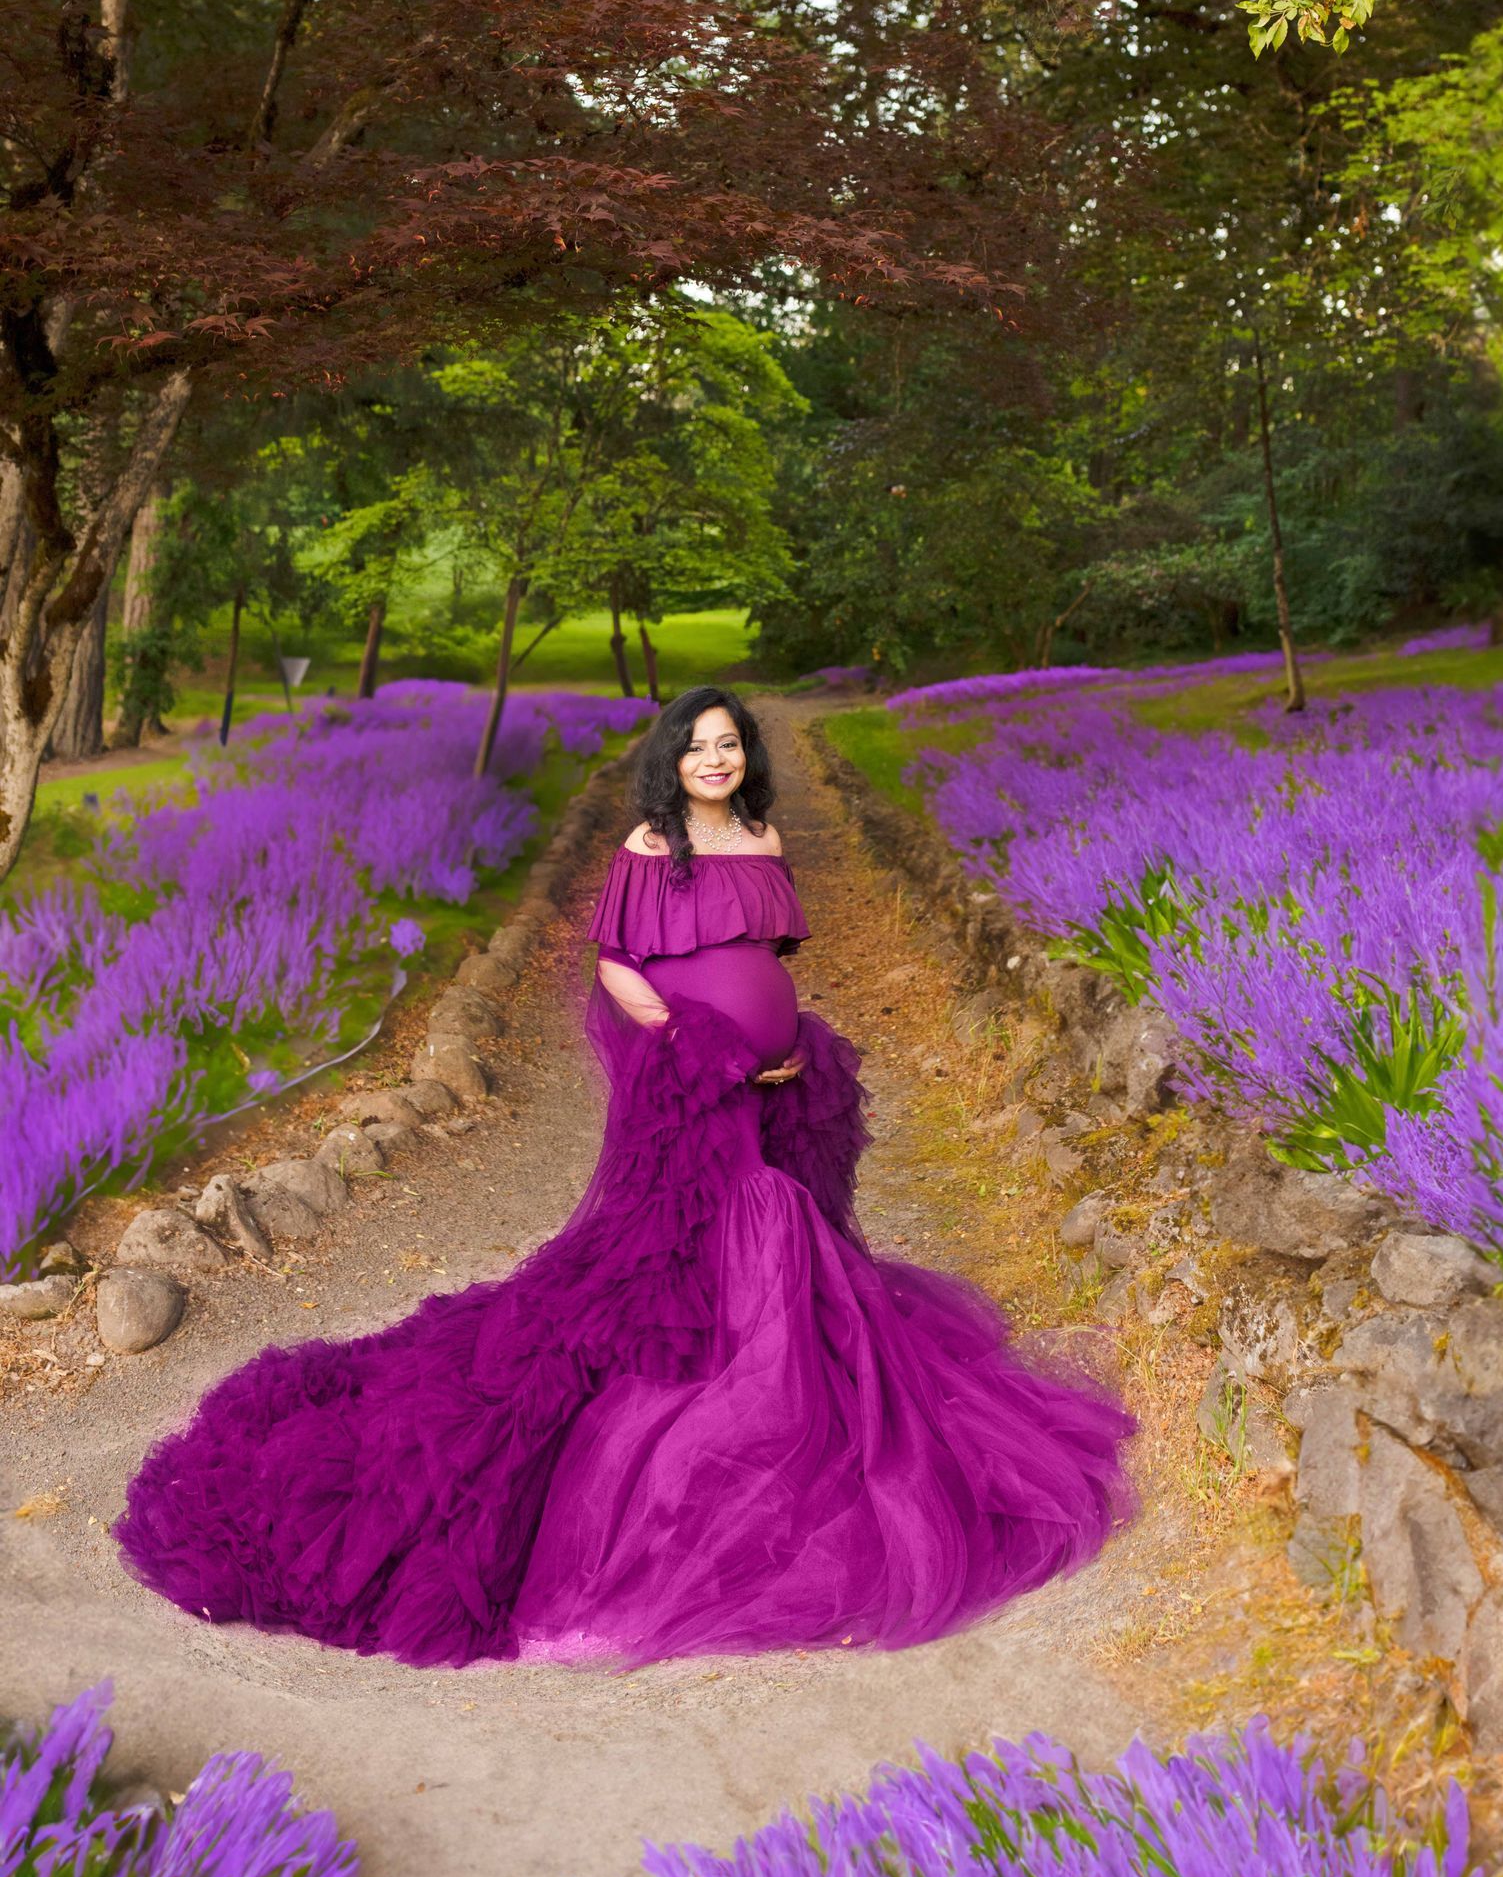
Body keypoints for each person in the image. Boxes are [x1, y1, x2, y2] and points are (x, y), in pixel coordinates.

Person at [115, 688, 1134, 1669]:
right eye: (697, 745)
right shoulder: (652, 846)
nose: (715, 759)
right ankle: (720, 1374)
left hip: (772, 1083)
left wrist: (780, 1040)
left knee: (780, 1234)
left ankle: (768, 1361)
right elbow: (618, 965)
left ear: (746, 754)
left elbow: (764, 952)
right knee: (677, 1255)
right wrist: (694, 1040)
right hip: (692, 1081)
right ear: (672, 760)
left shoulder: (763, 840)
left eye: (729, 743)